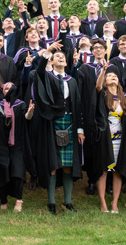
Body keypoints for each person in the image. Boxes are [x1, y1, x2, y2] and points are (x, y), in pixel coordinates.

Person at [31, 50, 85, 215]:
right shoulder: (47, 76)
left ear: (67, 63)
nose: (61, 58)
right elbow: (38, 73)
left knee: (68, 165)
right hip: (51, 124)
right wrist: (46, 55)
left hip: (70, 123)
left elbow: (77, 104)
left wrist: (80, 129)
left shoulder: (73, 81)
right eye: (57, 57)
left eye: (63, 57)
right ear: (52, 62)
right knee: (53, 165)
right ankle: (51, 202)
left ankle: (67, 202)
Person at [0, 81, 34, 212]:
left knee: (17, 172)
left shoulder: (21, 105)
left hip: (17, 145)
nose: (8, 90)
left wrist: (30, 112)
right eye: (5, 88)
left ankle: (19, 199)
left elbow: (27, 118)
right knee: (2, 172)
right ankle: (3, 201)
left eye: (10, 88)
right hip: (1, 145)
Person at [94, 69, 126, 213]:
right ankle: (103, 203)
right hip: (105, 138)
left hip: (120, 138)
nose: (112, 78)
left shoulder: (124, 97)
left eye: (115, 76)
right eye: (109, 76)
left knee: (117, 170)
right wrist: (103, 72)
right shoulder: (103, 95)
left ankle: (115, 202)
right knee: (104, 170)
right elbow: (98, 87)